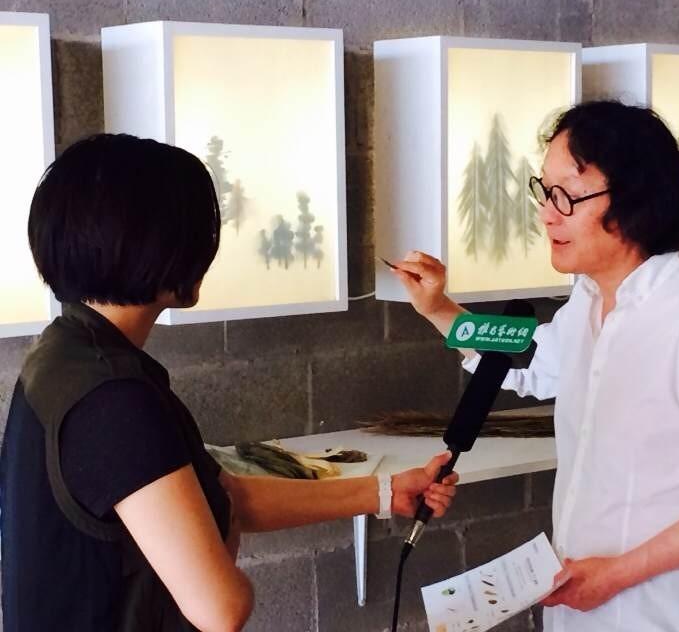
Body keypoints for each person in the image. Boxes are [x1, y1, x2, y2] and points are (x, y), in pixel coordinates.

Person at [0, 133, 458, 632]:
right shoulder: (112, 401)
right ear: (154, 246)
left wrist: (385, 491)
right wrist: (226, 540)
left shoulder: (64, 354)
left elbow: (225, 496)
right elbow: (222, 608)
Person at [390, 101, 679, 631]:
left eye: (567, 195)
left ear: (633, 199)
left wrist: (617, 574)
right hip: (581, 607)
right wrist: (440, 309)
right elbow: (531, 363)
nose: (546, 213)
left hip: (664, 616)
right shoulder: (589, 296)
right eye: (545, 190)